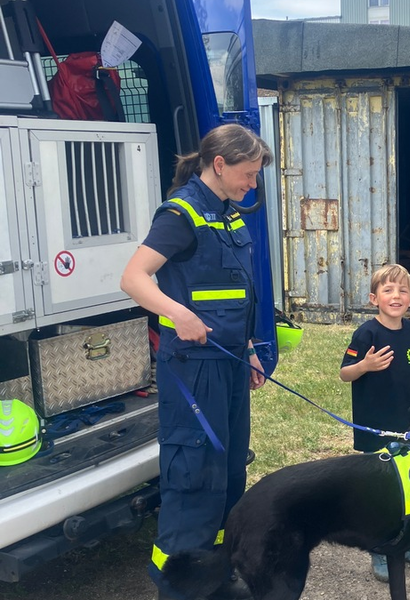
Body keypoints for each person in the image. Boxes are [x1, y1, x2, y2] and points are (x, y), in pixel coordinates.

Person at [120, 123, 271, 600]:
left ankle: (212, 575)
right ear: (220, 164)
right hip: (194, 368)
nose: (253, 184)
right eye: (248, 174)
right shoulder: (180, 213)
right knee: (195, 476)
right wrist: (177, 313)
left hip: (230, 362)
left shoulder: (227, 213)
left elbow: (236, 292)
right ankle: (177, 585)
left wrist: (249, 348)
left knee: (229, 470)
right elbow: (133, 278)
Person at [339, 263, 410, 582]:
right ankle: (379, 547)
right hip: (374, 426)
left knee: (407, 485)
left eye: (403, 291)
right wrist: (364, 365)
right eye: (388, 290)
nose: (396, 296)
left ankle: (406, 544)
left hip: (407, 425)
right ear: (374, 298)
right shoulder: (367, 333)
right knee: (378, 490)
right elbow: (345, 373)